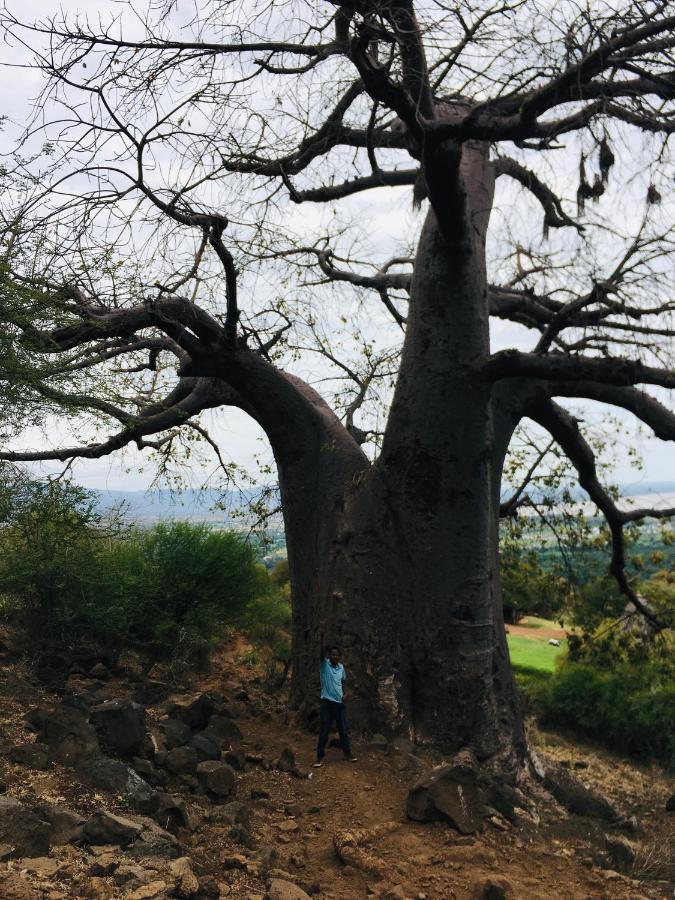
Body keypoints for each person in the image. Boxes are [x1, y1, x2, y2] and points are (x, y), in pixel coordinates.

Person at [314, 642, 358, 766]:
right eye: (332, 655)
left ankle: (348, 754)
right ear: (329, 655)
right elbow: (321, 654)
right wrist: (322, 638)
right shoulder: (324, 665)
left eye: (337, 655)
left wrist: (346, 694)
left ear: (339, 657)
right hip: (327, 703)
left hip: (340, 703)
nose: (335, 657)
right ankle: (320, 757)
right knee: (324, 730)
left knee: (343, 730)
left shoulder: (341, 668)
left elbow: (343, 682)